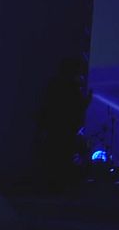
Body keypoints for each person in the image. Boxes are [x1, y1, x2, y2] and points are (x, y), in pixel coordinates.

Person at [38, 57, 93, 187]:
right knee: (64, 155)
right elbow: (78, 106)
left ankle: (52, 183)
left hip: (54, 127)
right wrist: (88, 99)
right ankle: (61, 183)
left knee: (54, 155)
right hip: (66, 128)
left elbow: (47, 105)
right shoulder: (72, 87)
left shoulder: (54, 84)